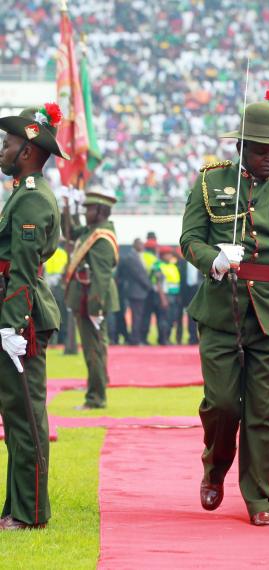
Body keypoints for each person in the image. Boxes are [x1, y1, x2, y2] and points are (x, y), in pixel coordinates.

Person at [180, 89, 269, 526]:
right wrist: (213, 261)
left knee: (263, 412)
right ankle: (215, 466)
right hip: (222, 309)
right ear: (241, 148)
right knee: (223, 404)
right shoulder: (209, 182)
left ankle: (261, 498)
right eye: (261, 151)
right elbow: (190, 240)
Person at [0, 103, 65, 530]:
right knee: (15, 414)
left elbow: (22, 269)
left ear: (27, 150)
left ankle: (30, 513)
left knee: (24, 416)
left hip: (21, 319)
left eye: (8, 144)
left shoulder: (32, 200)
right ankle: (15, 506)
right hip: (16, 311)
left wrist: (11, 323)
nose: (1, 150)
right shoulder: (24, 194)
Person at [64, 188, 120, 410]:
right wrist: (67, 208)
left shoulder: (102, 237)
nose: (85, 212)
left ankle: (95, 398)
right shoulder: (92, 230)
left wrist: (95, 308)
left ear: (100, 211)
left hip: (92, 300)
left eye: (88, 209)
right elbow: (70, 232)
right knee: (96, 348)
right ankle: (97, 386)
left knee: (93, 350)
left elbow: (102, 277)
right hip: (86, 298)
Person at [118, 238, 153, 345]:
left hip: (141, 291)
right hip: (136, 292)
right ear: (135, 245)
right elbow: (139, 275)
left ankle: (137, 338)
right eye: (141, 244)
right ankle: (135, 339)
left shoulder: (138, 256)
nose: (143, 246)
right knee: (136, 317)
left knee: (139, 316)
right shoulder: (131, 257)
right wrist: (148, 286)